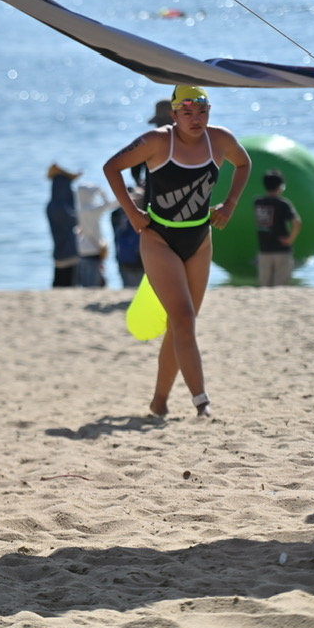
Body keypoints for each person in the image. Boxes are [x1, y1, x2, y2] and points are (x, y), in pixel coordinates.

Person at [103, 84, 251, 419]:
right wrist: (132, 213)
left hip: (199, 239)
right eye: (187, 112)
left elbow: (244, 164)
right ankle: (202, 402)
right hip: (159, 240)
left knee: (181, 324)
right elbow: (112, 167)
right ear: (174, 115)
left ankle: (159, 402)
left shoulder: (220, 140)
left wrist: (230, 203)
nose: (195, 119)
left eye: (202, 111)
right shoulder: (157, 141)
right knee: (183, 318)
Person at [253, 169, 300, 287]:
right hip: (282, 250)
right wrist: (290, 240)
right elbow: (297, 222)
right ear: (281, 186)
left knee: (264, 287)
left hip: (264, 250)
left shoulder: (258, 202)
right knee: (281, 287)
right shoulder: (283, 203)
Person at [76, 182, 118, 287]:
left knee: (85, 281)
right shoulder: (93, 210)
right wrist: (101, 191)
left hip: (81, 247)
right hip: (93, 248)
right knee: (95, 282)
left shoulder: (78, 210)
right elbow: (111, 204)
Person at [46, 164, 81, 287]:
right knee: (68, 283)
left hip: (59, 250)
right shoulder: (62, 208)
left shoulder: (52, 205)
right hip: (69, 252)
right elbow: (75, 220)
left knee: (59, 282)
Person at [110, 183, 145, 288]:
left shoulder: (116, 214)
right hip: (137, 259)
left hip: (123, 257)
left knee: (129, 287)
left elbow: (116, 237)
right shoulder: (141, 214)